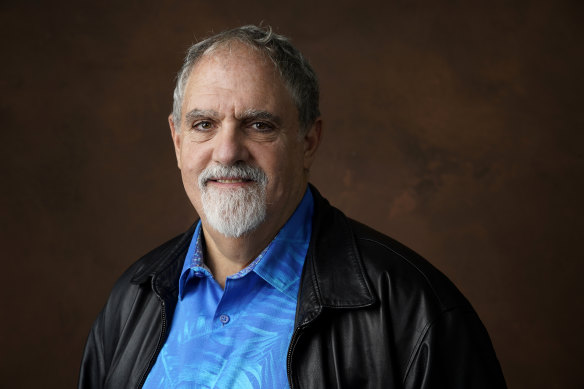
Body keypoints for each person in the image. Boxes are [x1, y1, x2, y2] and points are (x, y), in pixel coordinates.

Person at [78, 25, 507, 389]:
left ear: (308, 141)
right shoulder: (131, 299)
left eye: (259, 125)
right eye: (204, 125)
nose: (227, 152)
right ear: (177, 141)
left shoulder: (417, 314)